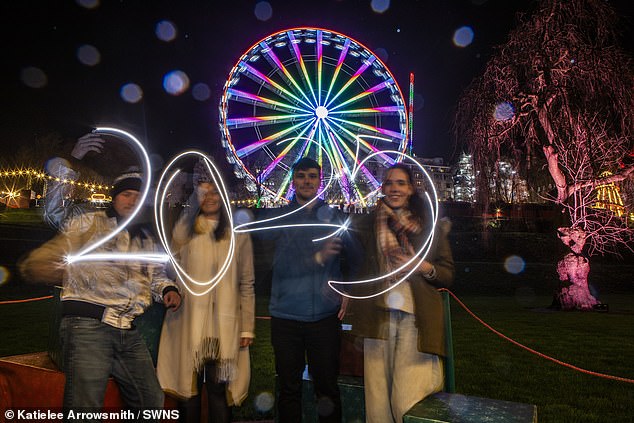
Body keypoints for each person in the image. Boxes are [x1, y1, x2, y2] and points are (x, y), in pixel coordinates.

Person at [19, 133, 182, 419]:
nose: (131, 201)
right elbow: (53, 210)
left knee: (151, 399)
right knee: (85, 406)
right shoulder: (88, 222)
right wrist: (72, 160)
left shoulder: (144, 238)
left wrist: (167, 288)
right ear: (115, 196)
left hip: (126, 328)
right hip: (87, 325)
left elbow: (155, 274)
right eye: (126, 193)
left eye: (137, 195)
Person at [348, 163, 454, 423]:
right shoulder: (367, 225)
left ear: (411, 189)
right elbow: (351, 261)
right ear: (382, 188)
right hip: (377, 316)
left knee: (406, 397)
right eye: (389, 183)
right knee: (378, 400)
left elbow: (447, 273)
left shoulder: (430, 227)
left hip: (414, 318)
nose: (394, 188)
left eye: (401, 183)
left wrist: (421, 266)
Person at [157, 161, 255, 423]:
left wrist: (246, 327)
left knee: (217, 389)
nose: (210, 198)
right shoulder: (186, 230)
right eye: (203, 192)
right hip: (190, 322)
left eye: (215, 192)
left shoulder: (237, 234)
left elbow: (246, 282)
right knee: (188, 393)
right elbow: (171, 263)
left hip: (222, 326)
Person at [260, 157, 353, 423]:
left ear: (319, 180)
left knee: (327, 389)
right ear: (293, 180)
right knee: (289, 390)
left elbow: (354, 255)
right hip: (286, 317)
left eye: (312, 176)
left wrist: (346, 285)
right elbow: (277, 263)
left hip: (324, 318)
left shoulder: (335, 216)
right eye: (301, 176)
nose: (307, 181)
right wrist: (317, 258)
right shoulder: (279, 218)